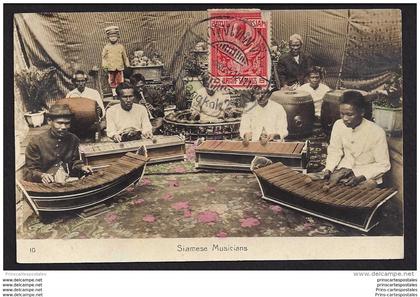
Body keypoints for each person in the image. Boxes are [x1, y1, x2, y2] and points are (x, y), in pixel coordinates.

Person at [323, 91, 391, 187]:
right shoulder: (338, 125)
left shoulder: (377, 132)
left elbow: (383, 165)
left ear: (362, 112)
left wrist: (361, 176)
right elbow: (335, 150)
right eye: (342, 114)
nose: (345, 118)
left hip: (367, 174)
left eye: (349, 114)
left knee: (358, 194)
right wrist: (329, 169)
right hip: (344, 170)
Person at [23, 104, 93, 184]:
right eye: (59, 123)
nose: (64, 127)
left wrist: (82, 167)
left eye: (67, 123)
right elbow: (30, 170)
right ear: (49, 121)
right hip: (46, 185)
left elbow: (75, 161)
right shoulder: (36, 142)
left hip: (69, 181)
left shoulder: (73, 139)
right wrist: (42, 175)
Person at [102, 25, 130, 98]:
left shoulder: (121, 46)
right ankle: (114, 94)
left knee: (120, 80)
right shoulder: (106, 47)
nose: (113, 38)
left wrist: (127, 64)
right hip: (111, 67)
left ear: (118, 37)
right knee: (112, 81)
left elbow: (125, 56)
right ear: (108, 38)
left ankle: (120, 93)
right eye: (111, 37)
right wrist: (105, 66)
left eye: (115, 36)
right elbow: (104, 57)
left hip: (119, 67)